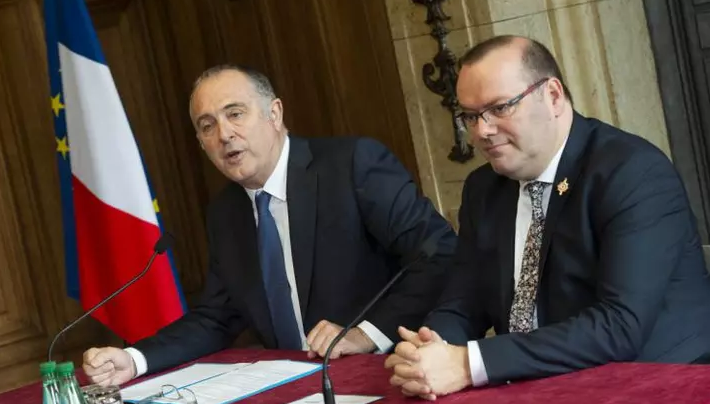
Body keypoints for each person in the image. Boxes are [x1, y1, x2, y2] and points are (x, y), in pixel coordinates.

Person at [83, 64, 456, 386]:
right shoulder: (226, 212)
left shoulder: (352, 165)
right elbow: (216, 318)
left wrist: (366, 334)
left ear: (274, 114)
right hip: (296, 391)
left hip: (385, 371)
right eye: (207, 125)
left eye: (235, 114)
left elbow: (438, 253)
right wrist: (134, 360)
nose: (224, 134)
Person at [386, 35, 710, 400]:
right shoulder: (483, 188)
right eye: (471, 116)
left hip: (660, 387)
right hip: (544, 387)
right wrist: (431, 347)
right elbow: (465, 300)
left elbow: (619, 327)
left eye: (499, 108)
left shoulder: (632, 172)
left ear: (553, 96)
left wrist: (468, 364)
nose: (482, 131)